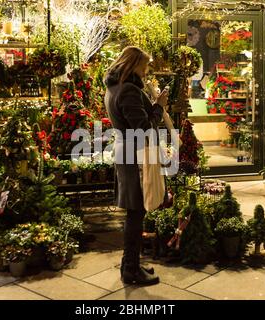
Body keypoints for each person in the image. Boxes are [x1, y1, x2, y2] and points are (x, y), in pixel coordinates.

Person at [104, 46, 168, 285]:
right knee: (136, 211)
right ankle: (130, 270)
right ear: (135, 65)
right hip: (135, 155)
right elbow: (143, 129)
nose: (147, 69)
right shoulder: (129, 90)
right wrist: (159, 106)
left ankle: (130, 265)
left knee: (135, 210)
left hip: (126, 151)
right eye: (145, 65)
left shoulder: (114, 87)